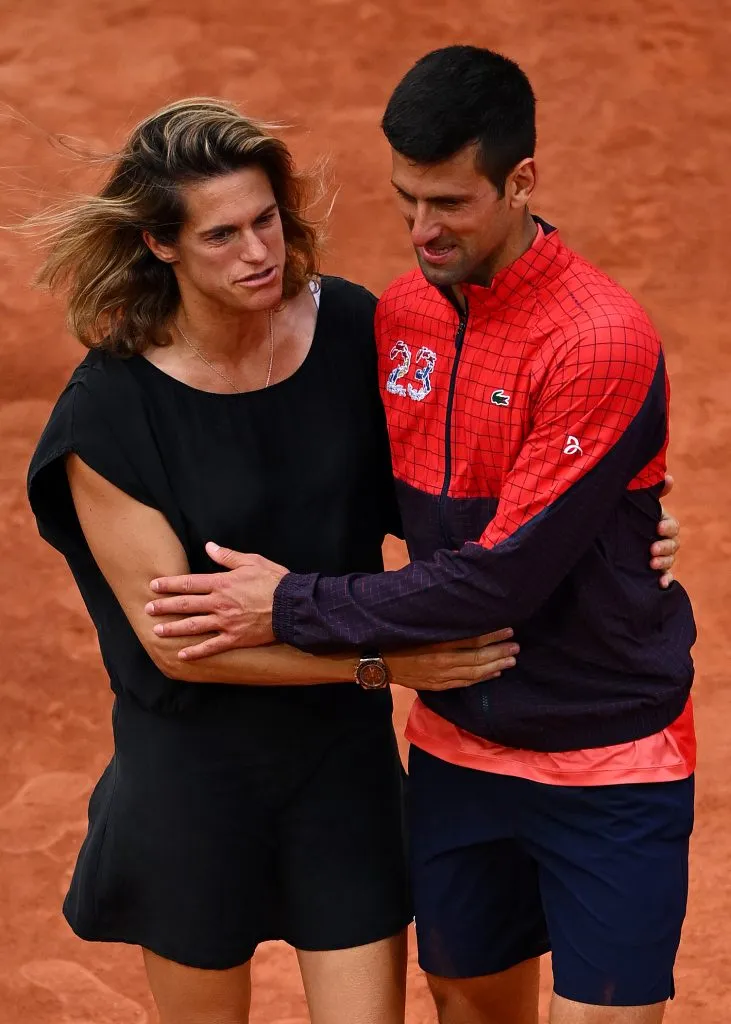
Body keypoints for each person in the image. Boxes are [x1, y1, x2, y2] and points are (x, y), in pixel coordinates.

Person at [145, 49, 695, 1024]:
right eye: (404, 198)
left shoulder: (594, 336)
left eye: (447, 203)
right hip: (455, 753)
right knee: (466, 1004)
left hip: (606, 760)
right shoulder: (397, 315)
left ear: (520, 181)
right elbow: (373, 502)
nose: (419, 230)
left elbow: (497, 578)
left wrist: (284, 603)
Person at [25, 98, 531, 1024]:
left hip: (337, 768)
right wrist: (385, 665)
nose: (256, 252)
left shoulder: (349, 330)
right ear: (160, 245)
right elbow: (179, 646)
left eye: (265, 221)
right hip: (190, 779)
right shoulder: (109, 413)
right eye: (220, 235)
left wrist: (615, 532)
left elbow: (449, 499)